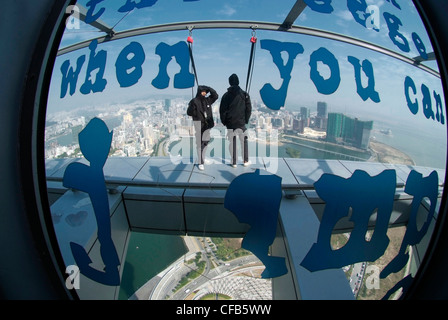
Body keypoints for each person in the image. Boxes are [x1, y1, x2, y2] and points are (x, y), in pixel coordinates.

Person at [220, 74, 252, 167]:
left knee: (232, 142)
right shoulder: (244, 95)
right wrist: (246, 120)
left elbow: (222, 110)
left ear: (229, 83)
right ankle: (245, 161)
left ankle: (234, 162)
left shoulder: (226, 96)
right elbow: (248, 109)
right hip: (241, 122)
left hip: (230, 123)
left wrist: (224, 122)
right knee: (244, 141)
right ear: (238, 82)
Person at [187, 85, 218, 170]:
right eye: (203, 91)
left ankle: (202, 158)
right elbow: (189, 113)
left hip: (207, 125)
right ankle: (200, 162)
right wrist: (192, 107)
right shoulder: (194, 101)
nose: (205, 93)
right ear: (199, 92)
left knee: (206, 142)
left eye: (206, 92)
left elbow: (215, 96)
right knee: (200, 143)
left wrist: (209, 88)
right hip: (199, 125)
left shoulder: (207, 100)